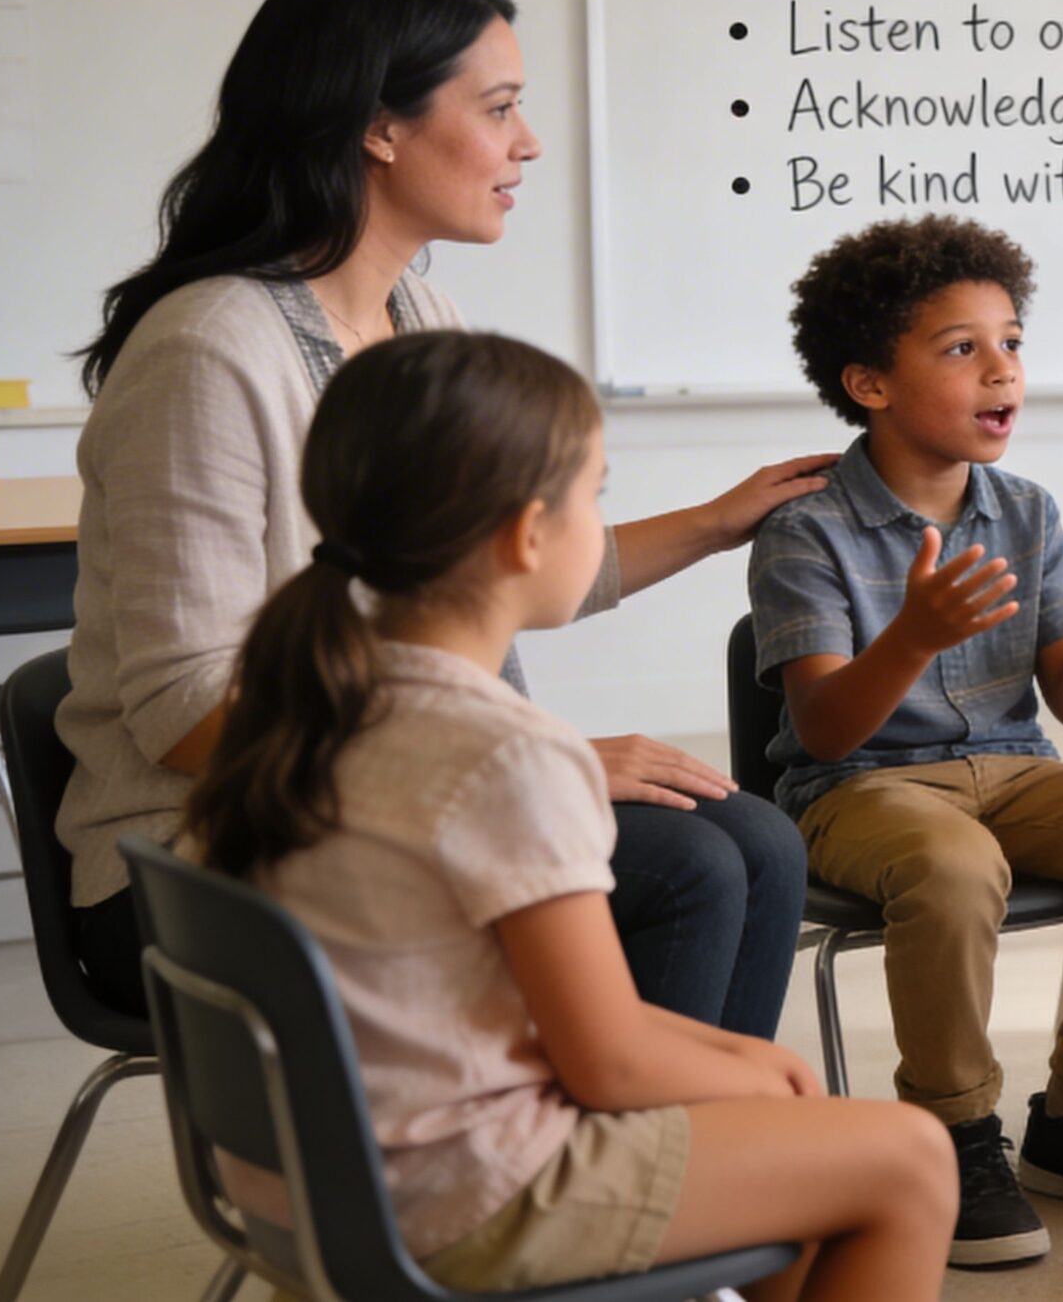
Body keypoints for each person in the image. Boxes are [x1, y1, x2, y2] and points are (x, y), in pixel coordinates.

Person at [62, 0, 813, 1032]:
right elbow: (189, 714)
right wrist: (528, 764)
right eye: (499, 107)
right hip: (202, 864)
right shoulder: (209, 349)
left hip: (412, 793)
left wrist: (713, 524)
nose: (529, 142)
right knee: (688, 866)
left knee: (754, 835)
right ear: (379, 127)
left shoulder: (421, 314)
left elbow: (493, 571)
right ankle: (613, 1183)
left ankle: (699, 1172)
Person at [180, 331, 952, 1300]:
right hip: (461, 1192)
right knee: (911, 1156)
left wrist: (749, 1062)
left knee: (792, 1164)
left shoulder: (303, 703)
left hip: (306, 1179)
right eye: (595, 493)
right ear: (525, 535)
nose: (602, 520)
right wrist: (755, 1073)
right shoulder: (509, 753)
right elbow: (610, 1062)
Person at [749, 214, 1063, 1266]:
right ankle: (956, 1134)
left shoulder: (1027, 511)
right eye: (963, 349)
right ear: (870, 384)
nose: (1002, 370)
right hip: (857, 789)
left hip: (1014, 770)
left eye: (1011, 342)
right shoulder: (806, 528)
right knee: (955, 867)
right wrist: (912, 636)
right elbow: (823, 725)